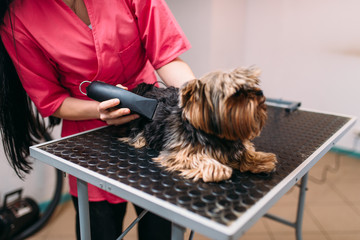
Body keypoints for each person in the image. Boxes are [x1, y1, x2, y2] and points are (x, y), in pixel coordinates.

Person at [0, 0, 195, 239]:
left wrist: (197, 104)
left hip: (151, 125)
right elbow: (52, 100)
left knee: (161, 229)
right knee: (99, 229)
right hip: (90, 141)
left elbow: (167, 56)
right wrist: (98, 111)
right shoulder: (19, 19)